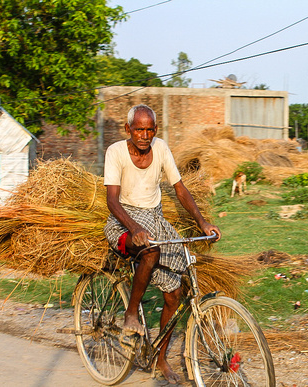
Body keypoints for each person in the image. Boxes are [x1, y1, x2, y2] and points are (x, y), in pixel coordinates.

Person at [103, 104, 221, 383]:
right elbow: (112, 201)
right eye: (138, 129)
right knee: (151, 250)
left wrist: (203, 223)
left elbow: (180, 188)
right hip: (122, 222)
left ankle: (161, 358)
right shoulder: (116, 152)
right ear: (128, 129)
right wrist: (134, 228)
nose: (143, 135)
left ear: (155, 130)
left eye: (149, 129)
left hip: (154, 220)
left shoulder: (162, 149)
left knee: (174, 292)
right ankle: (131, 314)